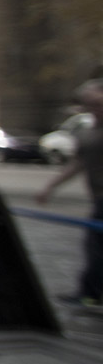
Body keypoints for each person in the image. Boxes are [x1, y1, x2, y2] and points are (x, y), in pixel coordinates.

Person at [36, 78, 103, 311]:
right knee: (94, 248)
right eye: (89, 104)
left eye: (97, 103)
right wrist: (50, 187)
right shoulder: (87, 132)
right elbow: (78, 164)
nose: (94, 108)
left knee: (95, 247)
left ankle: (91, 293)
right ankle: (90, 294)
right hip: (99, 200)